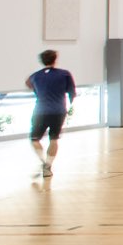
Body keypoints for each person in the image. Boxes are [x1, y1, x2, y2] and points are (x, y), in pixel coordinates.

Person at [25, 49, 77, 178]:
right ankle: (47, 165)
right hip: (58, 111)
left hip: (40, 111)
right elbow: (72, 92)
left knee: (34, 139)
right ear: (55, 59)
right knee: (54, 139)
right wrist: (69, 103)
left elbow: (29, 85)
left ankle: (43, 162)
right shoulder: (64, 74)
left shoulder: (35, 76)